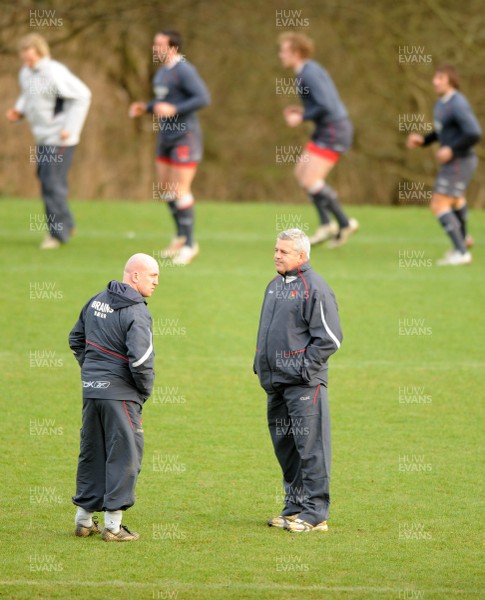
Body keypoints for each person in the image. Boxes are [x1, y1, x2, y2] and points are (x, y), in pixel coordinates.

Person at [254, 229, 342, 532]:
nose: (277, 255)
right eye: (276, 249)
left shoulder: (315, 288)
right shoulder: (274, 286)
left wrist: (303, 370)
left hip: (304, 385)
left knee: (311, 447)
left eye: (284, 251)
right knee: (287, 448)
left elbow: (330, 338)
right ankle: (294, 507)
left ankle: (316, 514)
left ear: (302, 256)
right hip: (275, 382)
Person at [69, 253, 159, 542]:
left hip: (92, 392)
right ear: (134, 276)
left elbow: (75, 339)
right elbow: (142, 361)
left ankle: (83, 521)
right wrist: (141, 391)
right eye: (152, 275)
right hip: (120, 395)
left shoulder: (96, 300)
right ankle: (113, 527)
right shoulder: (137, 311)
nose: (157, 281)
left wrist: (93, 372)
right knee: (125, 455)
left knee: (92, 451)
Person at [129, 30, 210, 265]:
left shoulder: (184, 69)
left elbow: (203, 98)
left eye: (160, 44)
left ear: (173, 47)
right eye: (154, 43)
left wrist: (175, 110)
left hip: (185, 136)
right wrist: (146, 107)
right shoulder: (162, 72)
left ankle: (190, 243)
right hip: (165, 136)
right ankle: (180, 235)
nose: (155, 47)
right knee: (166, 189)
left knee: (180, 190)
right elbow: (164, 102)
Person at [6, 33, 91, 249]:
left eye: (31, 59)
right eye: (24, 59)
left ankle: (57, 234)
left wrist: (69, 127)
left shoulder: (54, 72)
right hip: (43, 136)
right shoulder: (26, 73)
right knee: (47, 180)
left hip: (60, 138)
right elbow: (28, 96)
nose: (27, 63)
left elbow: (83, 95)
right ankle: (68, 224)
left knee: (52, 182)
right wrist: (19, 111)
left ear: (41, 54)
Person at [278, 32, 358, 248]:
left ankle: (344, 222)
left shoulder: (308, 73)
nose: (280, 55)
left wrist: (301, 116)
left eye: (284, 51)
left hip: (334, 130)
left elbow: (326, 106)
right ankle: (326, 224)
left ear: (296, 53)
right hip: (326, 129)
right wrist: (302, 110)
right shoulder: (307, 70)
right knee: (301, 173)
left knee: (311, 180)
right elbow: (322, 102)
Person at [406, 65, 481, 266]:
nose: (435, 81)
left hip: (460, 161)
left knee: (439, 203)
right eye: (435, 78)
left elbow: (474, 133)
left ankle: (461, 252)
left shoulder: (458, 103)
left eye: (440, 78)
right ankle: (463, 240)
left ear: (451, 80)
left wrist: (451, 150)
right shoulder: (441, 104)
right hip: (455, 162)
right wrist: (423, 140)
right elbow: (443, 132)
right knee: (455, 201)